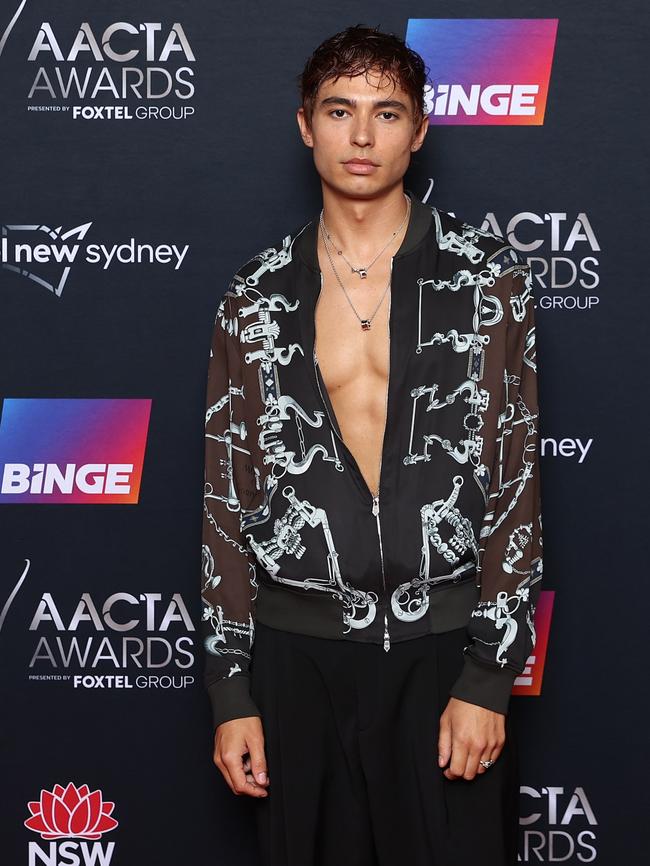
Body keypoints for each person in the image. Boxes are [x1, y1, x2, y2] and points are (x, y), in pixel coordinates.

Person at [201, 24, 543, 866]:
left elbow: (516, 481)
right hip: (296, 661)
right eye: (340, 110)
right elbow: (225, 498)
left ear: (420, 131)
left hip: (442, 654)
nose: (362, 136)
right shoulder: (254, 295)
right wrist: (230, 689)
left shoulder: (486, 280)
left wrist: (487, 677)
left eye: (387, 113)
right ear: (304, 125)